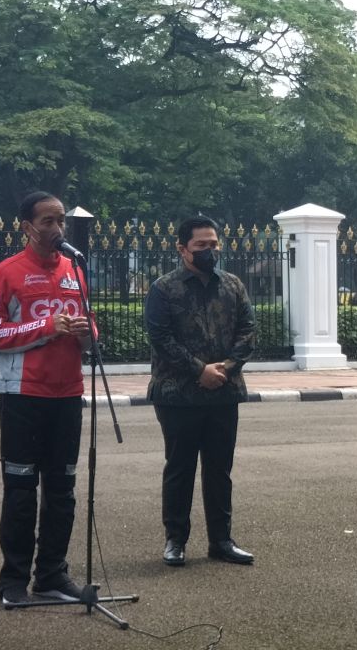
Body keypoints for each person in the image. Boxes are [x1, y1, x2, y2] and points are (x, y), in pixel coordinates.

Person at [0, 191, 93, 606]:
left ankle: (52, 575)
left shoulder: (75, 270)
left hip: (69, 395)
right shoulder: (6, 272)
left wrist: (85, 333)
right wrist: (46, 325)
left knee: (62, 489)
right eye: (47, 221)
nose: (57, 228)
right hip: (23, 396)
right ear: (26, 227)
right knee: (22, 490)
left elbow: (90, 330)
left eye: (60, 220)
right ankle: (13, 580)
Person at [143, 215, 257, 568]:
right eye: (201, 246)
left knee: (219, 469)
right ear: (182, 249)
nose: (210, 251)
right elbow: (161, 339)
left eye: (214, 244)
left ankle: (221, 541)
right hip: (178, 394)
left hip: (223, 392)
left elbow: (248, 331)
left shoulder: (233, 286)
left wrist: (225, 369)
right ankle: (175, 540)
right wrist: (199, 370)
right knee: (180, 467)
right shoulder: (164, 289)